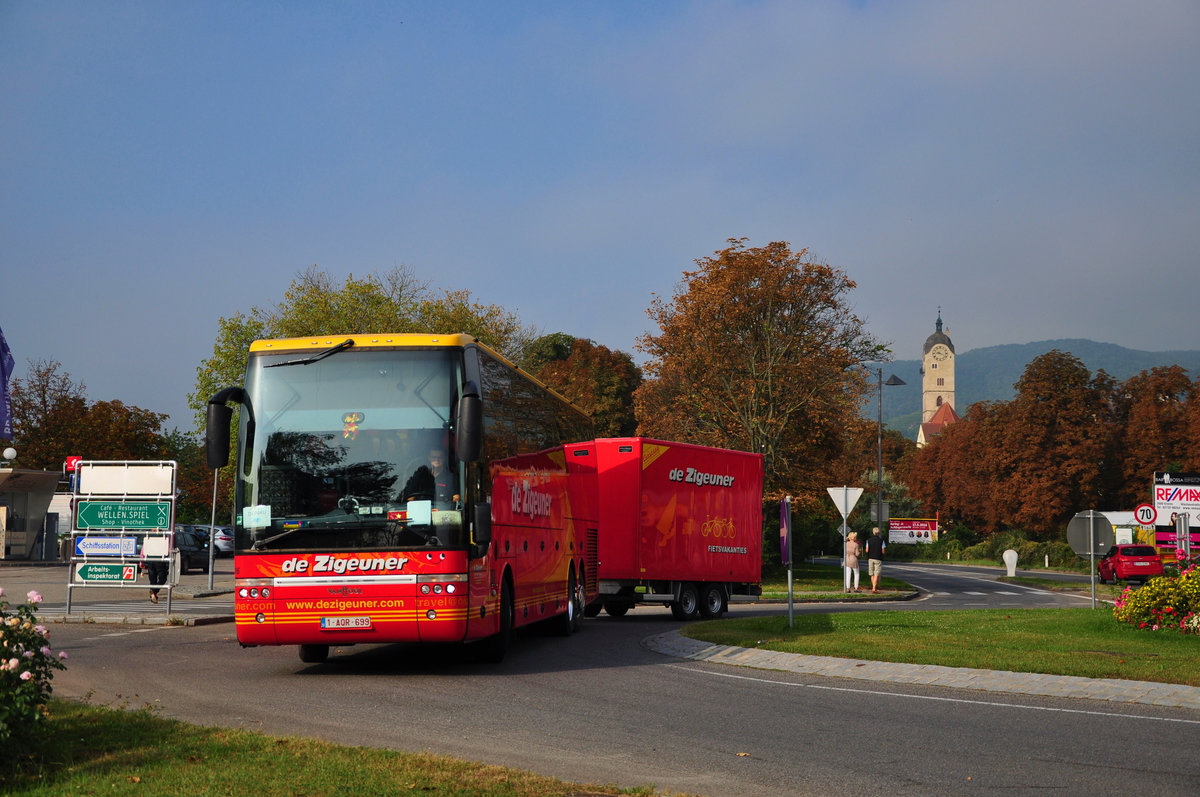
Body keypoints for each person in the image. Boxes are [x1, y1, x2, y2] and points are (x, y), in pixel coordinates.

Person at [865, 527, 886, 593]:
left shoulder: (868, 540)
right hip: (878, 558)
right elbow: (883, 551)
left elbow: (867, 550)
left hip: (870, 558)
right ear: (879, 533)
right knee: (876, 573)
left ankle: (874, 587)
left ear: (873, 532)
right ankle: (874, 588)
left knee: (872, 574)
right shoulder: (882, 540)